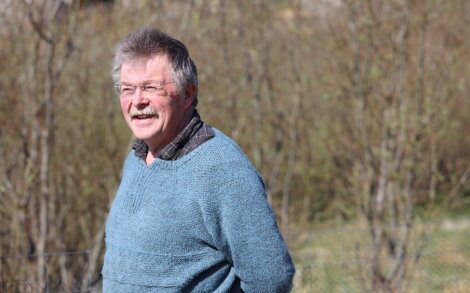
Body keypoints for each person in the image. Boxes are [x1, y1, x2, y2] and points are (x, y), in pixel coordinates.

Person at [102, 27, 295, 293]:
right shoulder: (136, 158)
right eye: (127, 89)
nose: (137, 101)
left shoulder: (223, 169)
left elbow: (272, 278)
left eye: (151, 87)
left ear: (188, 93)